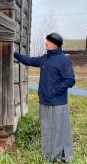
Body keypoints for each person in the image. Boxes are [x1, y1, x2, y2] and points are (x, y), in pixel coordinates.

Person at [14, 32, 75, 163]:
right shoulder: (45, 58)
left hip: (58, 103)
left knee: (59, 130)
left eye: (47, 41)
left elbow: (70, 80)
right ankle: (47, 155)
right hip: (44, 101)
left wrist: (54, 91)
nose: (45, 43)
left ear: (54, 44)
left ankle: (61, 156)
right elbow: (29, 61)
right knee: (46, 129)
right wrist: (16, 55)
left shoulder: (64, 60)